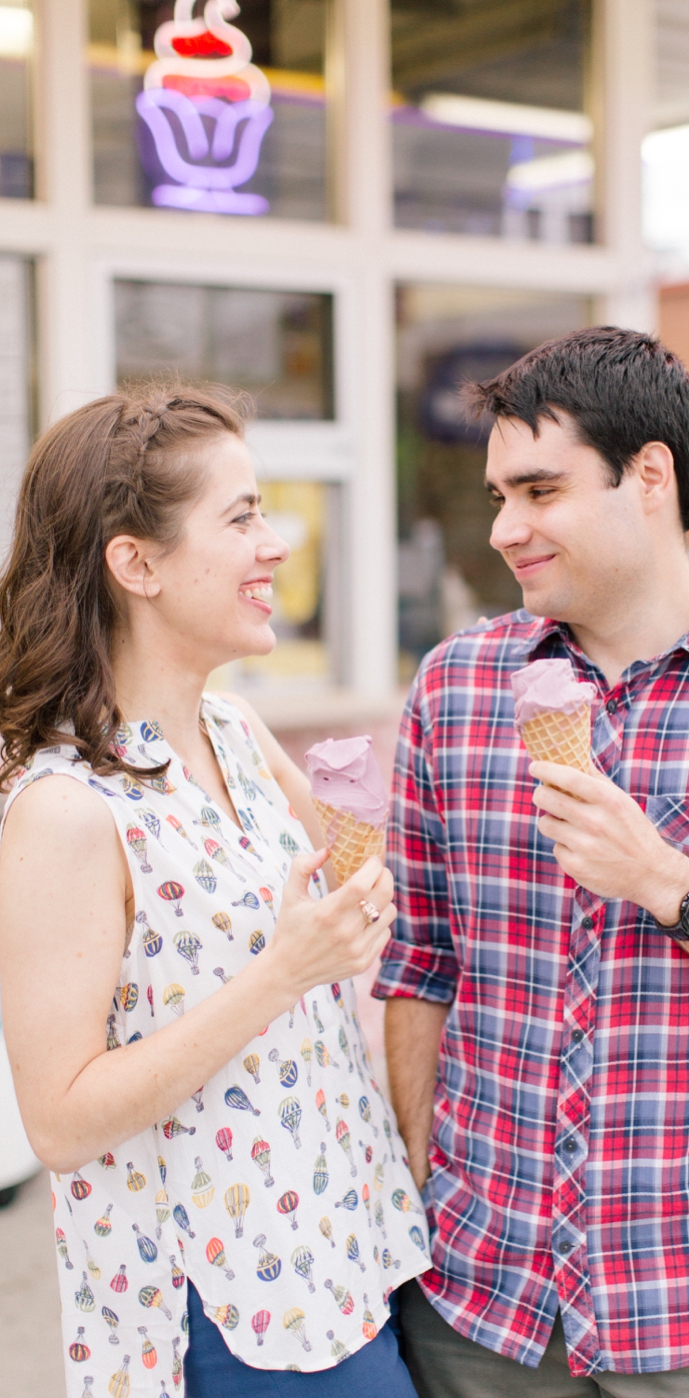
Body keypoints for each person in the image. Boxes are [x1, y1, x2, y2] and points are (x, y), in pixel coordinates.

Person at [375, 327, 689, 1396]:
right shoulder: (455, 691)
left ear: (647, 475)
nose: (506, 528)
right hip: (481, 1299)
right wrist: (420, 1189)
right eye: (497, 496)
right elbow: (418, 968)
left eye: (538, 490)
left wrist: (670, 883)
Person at [0, 387, 428, 1397]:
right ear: (134, 563)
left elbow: (357, 901)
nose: (274, 543)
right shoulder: (64, 809)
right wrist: (284, 972)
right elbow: (59, 1119)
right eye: (240, 517)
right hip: (220, 1320)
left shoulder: (233, 732)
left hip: (349, 1265)